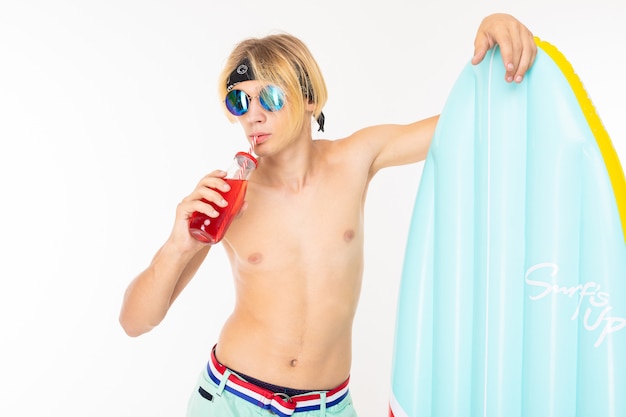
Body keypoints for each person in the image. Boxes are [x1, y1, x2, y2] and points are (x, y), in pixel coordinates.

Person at [119, 13, 537, 417]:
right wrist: (177, 245)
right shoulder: (228, 196)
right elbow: (135, 322)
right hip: (232, 401)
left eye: (269, 97)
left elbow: (467, 123)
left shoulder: (355, 158)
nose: (253, 115)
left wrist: (494, 40)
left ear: (308, 98)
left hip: (328, 407)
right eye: (238, 101)